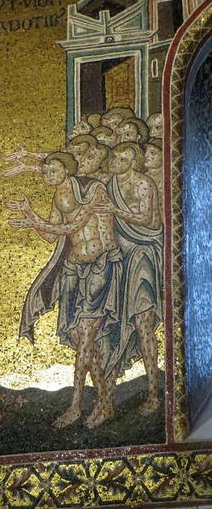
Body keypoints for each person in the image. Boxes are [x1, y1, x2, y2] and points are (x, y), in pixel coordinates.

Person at [6, 152, 122, 428]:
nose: (48, 175)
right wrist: (29, 212)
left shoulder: (93, 189)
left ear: (68, 169)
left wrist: (33, 220)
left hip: (100, 265)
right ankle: (105, 403)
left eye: (53, 169)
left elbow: (73, 224)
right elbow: (52, 234)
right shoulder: (58, 196)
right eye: (45, 171)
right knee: (77, 334)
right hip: (73, 267)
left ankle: (75, 406)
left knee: (84, 336)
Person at [101, 142, 163, 415]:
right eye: (114, 156)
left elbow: (149, 221)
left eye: (122, 158)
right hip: (116, 260)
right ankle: (107, 400)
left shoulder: (143, 184)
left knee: (143, 323)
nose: (115, 160)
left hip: (142, 256)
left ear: (133, 162)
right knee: (112, 328)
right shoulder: (106, 184)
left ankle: (154, 394)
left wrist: (114, 210)